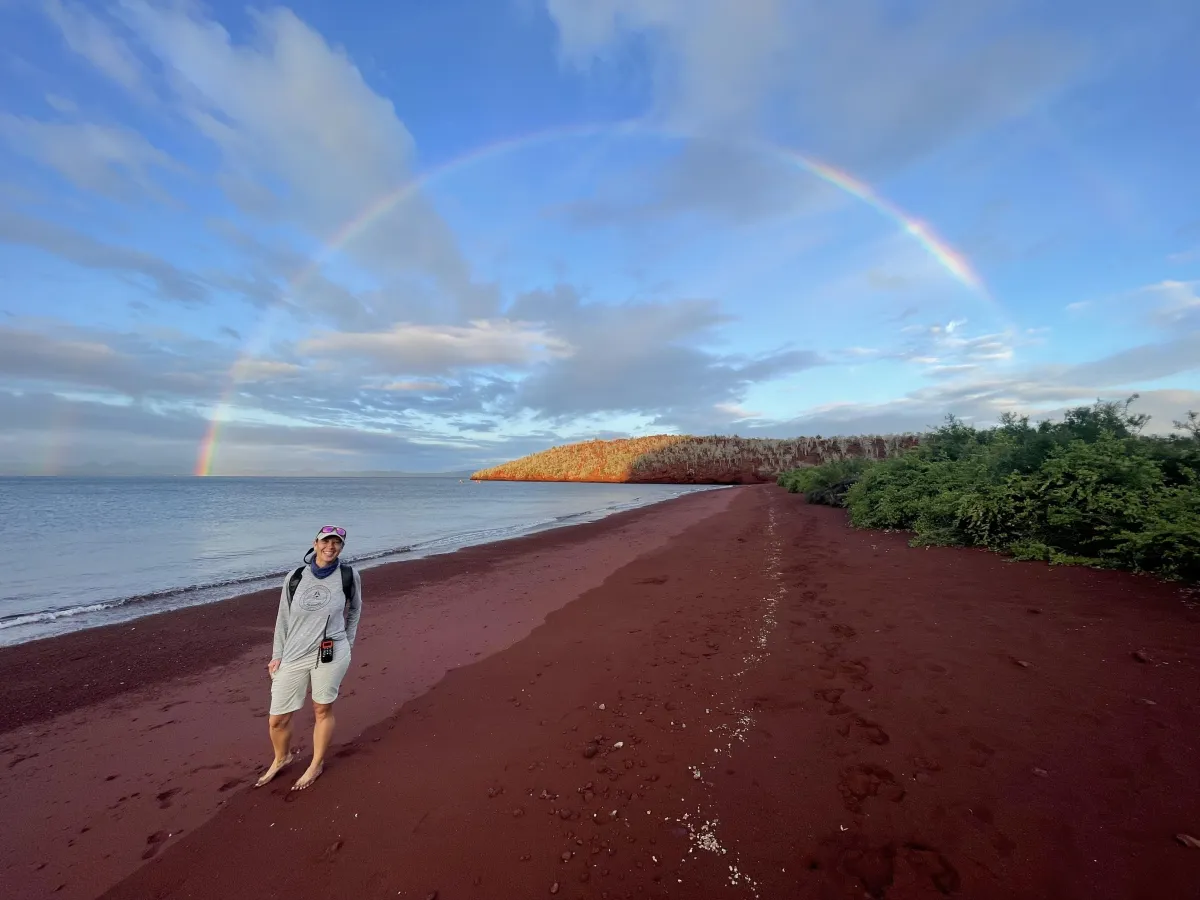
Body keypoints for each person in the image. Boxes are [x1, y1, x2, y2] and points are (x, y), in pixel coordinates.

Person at [255, 525, 363, 791]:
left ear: (341, 547)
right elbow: (282, 618)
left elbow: (355, 610)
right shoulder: (295, 577)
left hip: (331, 653)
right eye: (326, 541)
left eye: (337, 543)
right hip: (294, 653)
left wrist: (347, 644)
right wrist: (277, 654)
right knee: (277, 718)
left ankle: (316, 764)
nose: (331, 547)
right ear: (315, 544)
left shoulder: (348, 575)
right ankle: (282, 757)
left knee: (321, 709)